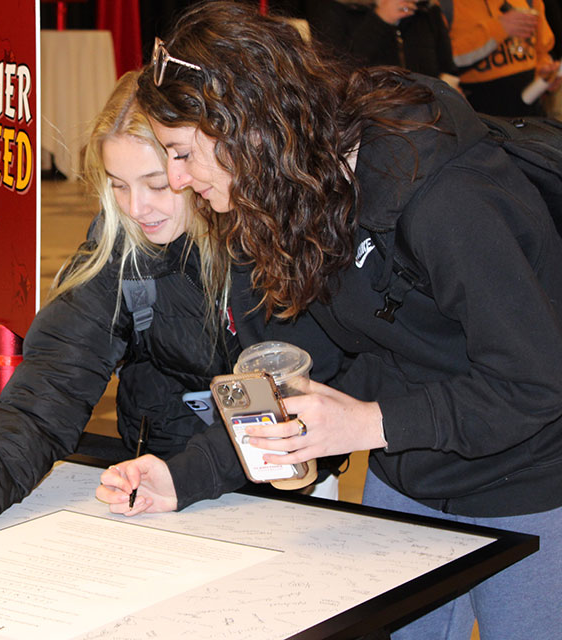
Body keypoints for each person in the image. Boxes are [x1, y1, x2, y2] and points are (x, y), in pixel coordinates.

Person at [98, 3, 562, 639]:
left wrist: (365, 421)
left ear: (245, 125)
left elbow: (535, 383)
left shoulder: (448, 198)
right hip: (408, 481)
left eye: (181, 154)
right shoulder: (300, 193)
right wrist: (185, 473)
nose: (176, 181)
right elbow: (296, 378)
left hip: (530, 485)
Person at [0, 71, 343, 537]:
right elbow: (50, 390)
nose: (137, 208)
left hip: (279, 485)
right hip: (158, 485)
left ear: (197, 164)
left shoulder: (276, 242)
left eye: (157, 185)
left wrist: (188, 475)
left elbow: (299, 394)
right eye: (119, 185)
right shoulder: (119, 248)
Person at [309, 0, 460, 88]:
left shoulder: (427, 10)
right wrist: (381, 20)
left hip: (427, 118)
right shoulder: (335, 7)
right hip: (368, 123)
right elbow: (335, 72)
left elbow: (447, 69)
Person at [450, 0, 560, 116]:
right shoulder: (444, 5)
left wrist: (544, 75)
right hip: (478, 116)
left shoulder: (531, 2)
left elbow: (542, 50)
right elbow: (444, 61)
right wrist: (499, 28)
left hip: (530, 114)